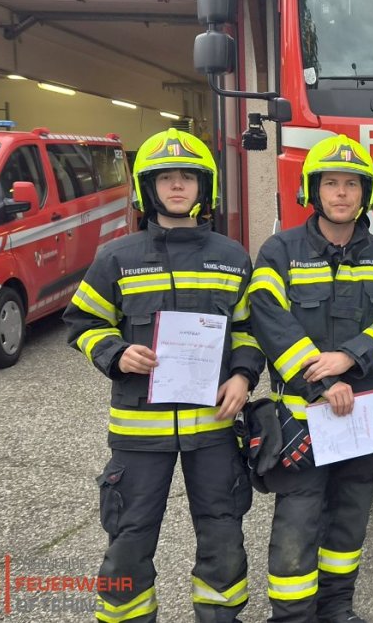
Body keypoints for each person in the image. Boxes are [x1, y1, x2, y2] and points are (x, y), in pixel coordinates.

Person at [64, 128, 263, 623]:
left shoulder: (232, 257)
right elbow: (83, 322)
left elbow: (248, 330)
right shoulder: (117, 258)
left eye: (187, 177)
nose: (177, 186)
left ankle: (220, 616)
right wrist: (116, 353)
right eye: (166, 177)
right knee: (129, 535)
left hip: (214, 426)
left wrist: (242, 376)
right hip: (139, 430)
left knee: (222, 530)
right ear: (147, 188)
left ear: (204, 187)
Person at [247, 134, 373, 623]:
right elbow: (270, 320)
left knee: (349, 518)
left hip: (363, 414)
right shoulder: (279, 251)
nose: (342, 193)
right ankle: (292, 615)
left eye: (351, 184)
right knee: (298, 522)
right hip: (304, 415)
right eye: (331, 183)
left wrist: (349, 358)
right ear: (313, 190)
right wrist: (322, 382)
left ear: (365, 193)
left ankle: (338, 606)